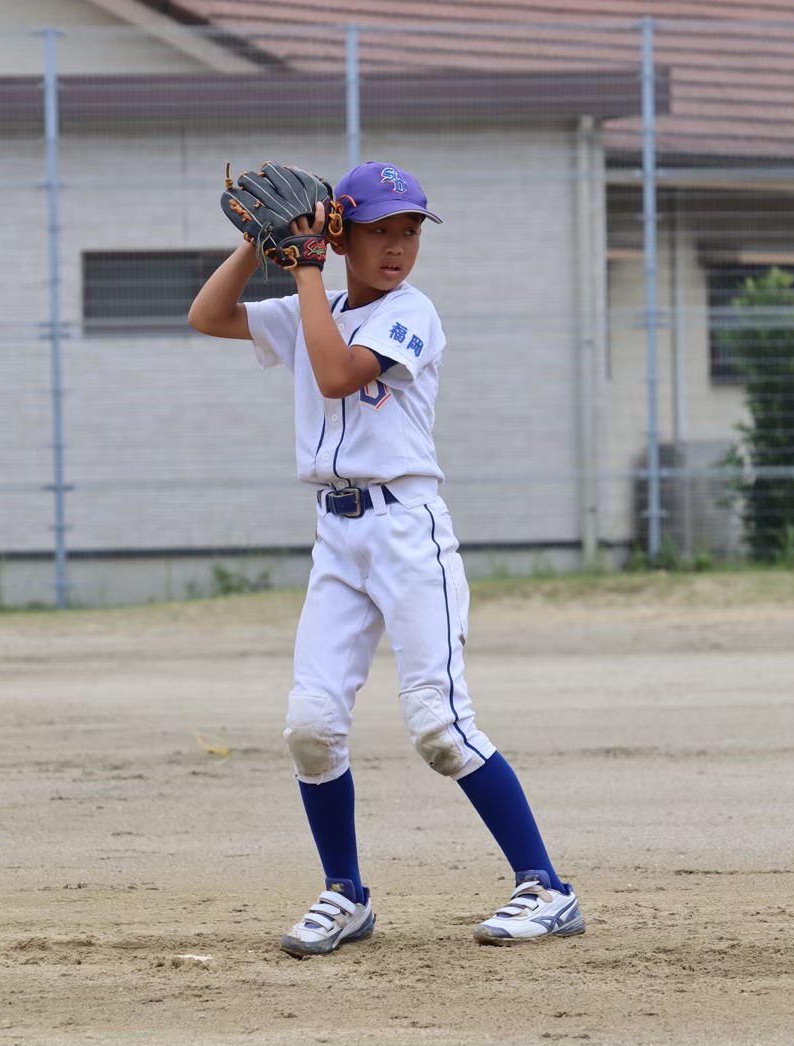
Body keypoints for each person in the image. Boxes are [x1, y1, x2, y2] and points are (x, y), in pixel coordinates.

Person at [187, 161, 583, 957]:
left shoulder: (413, 312)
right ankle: (346, 896)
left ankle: (547, 889)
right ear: (342, 233)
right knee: (310, 726)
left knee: (439, 726)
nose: (398, 246)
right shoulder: (317, 304)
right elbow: (208, 315)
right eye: (379, 230)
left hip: (408, 533)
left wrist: (303, 269)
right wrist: (255, 245)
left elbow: (336, 374)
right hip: (337, 539)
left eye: (409, 231)